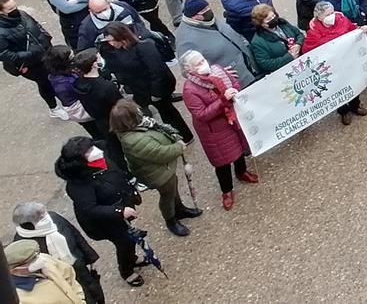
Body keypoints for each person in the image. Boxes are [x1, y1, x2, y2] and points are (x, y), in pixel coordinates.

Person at [53, 136, 144, 286]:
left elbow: (118, 175)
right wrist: (119, 211)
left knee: (128, 239)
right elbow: (90, 209)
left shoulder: (100, 159)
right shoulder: (78, 185)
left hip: (120, 207)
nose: (95, 151)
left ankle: (132, 258)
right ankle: (127, 271)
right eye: (88, 151)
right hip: (106, 221)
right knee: (124, 242)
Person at [180, 50, 259, 211]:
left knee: (239, 150)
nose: (203, 64)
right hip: (214, 130)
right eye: (198, 64)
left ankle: (241, 172)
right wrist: (223, 100)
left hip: (231, 120)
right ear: (189, 70)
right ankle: (227, 191)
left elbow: (234, 82)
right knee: (222, 161)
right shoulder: (190, 90)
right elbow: (201, 114)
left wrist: (235, 90)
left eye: (202, 60)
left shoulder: (217, 70)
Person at [109, 99, 201, 237]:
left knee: (173, 189)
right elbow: (161, 153)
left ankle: (180, 209)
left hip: (163, 169)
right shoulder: (135, 140)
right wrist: (179, 147)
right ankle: (171, 220)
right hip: (157, 174)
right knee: (167, 196)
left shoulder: (134, 129)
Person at [97, 21, 193, 142]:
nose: (110, 43)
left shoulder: (144, 47)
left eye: (111, 40)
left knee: (168, 112)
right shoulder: (117, 50)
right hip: (139, 89)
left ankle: (185, 136)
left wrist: (156, 93)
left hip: (156, 88)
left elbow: (157, 71)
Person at [11, 201, 105, 304]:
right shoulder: (23, 246)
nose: (46, 217)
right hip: (62, 282)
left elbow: (75, 234)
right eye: (41, 217)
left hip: (80, 269)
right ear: (28, 225)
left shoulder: (54, 218)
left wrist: (90, 257)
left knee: (97, 294)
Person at [302, 1, 367, 124]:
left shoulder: (342, 19)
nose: (331, 16)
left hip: (348, 61)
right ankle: (343, 111)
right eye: (327, 15)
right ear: (319, 17)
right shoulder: (313, 33)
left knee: (353, 82)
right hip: (331, 68)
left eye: (332, 12)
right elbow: (308, 52)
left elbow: (352, 29)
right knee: (337, 89)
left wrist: (360, 29)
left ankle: (355, 105)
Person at [0, 0, 63, 117]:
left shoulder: (22, 14)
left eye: (15, 6)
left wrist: (45, 37)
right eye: (10, 9)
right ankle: (54, 108)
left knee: (56, 76)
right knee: (45, 83)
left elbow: (36, 25)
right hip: (31, 65)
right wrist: (28, 54)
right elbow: (4, 54)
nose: (15, 10)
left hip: (46, 54)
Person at [175, 0, 259, 85]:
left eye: (208, 7)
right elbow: (187, 71)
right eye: (204, 10)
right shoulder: (186, 39)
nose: (208, 11)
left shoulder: (208, 20)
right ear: (195, 16)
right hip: (235, 81)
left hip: (250, 67)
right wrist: (214, 74)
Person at [248, 3, 304, 73]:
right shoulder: (258, 42)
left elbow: (299, 35)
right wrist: (289, 57)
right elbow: (266, 64)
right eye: (269, 19)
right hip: (285, 71)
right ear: (261, 24)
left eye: (273, 16)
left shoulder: (283, 23)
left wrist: (298, 44)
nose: (273, 19)